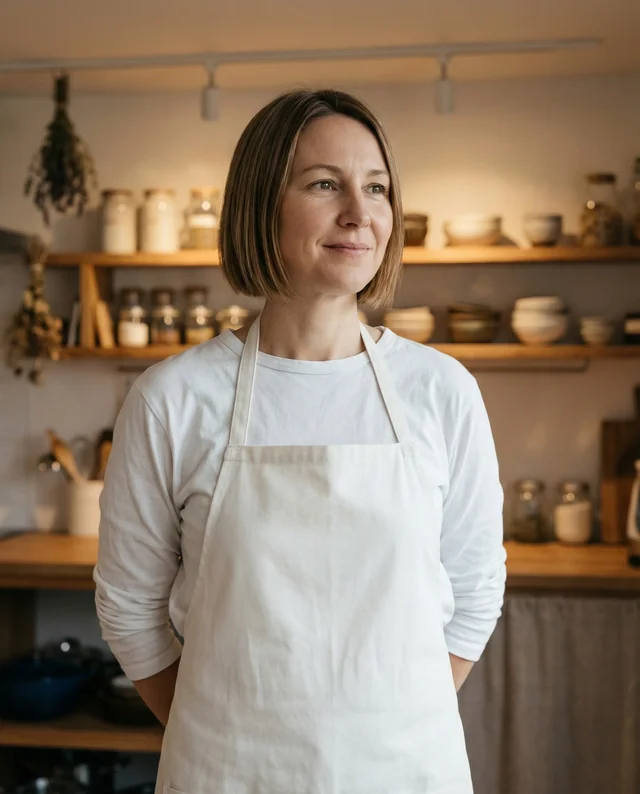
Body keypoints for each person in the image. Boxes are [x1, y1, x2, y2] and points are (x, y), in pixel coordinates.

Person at [95, 88, 506, 794]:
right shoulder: (173, 399)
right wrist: (223, 736)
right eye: (324, 184)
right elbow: (130, 608)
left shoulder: (441, 391)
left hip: (406, 773)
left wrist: (386, 727)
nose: (360, 212)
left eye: (376, 188)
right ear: (260, 203)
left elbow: (474, 589)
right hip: (227, 775)